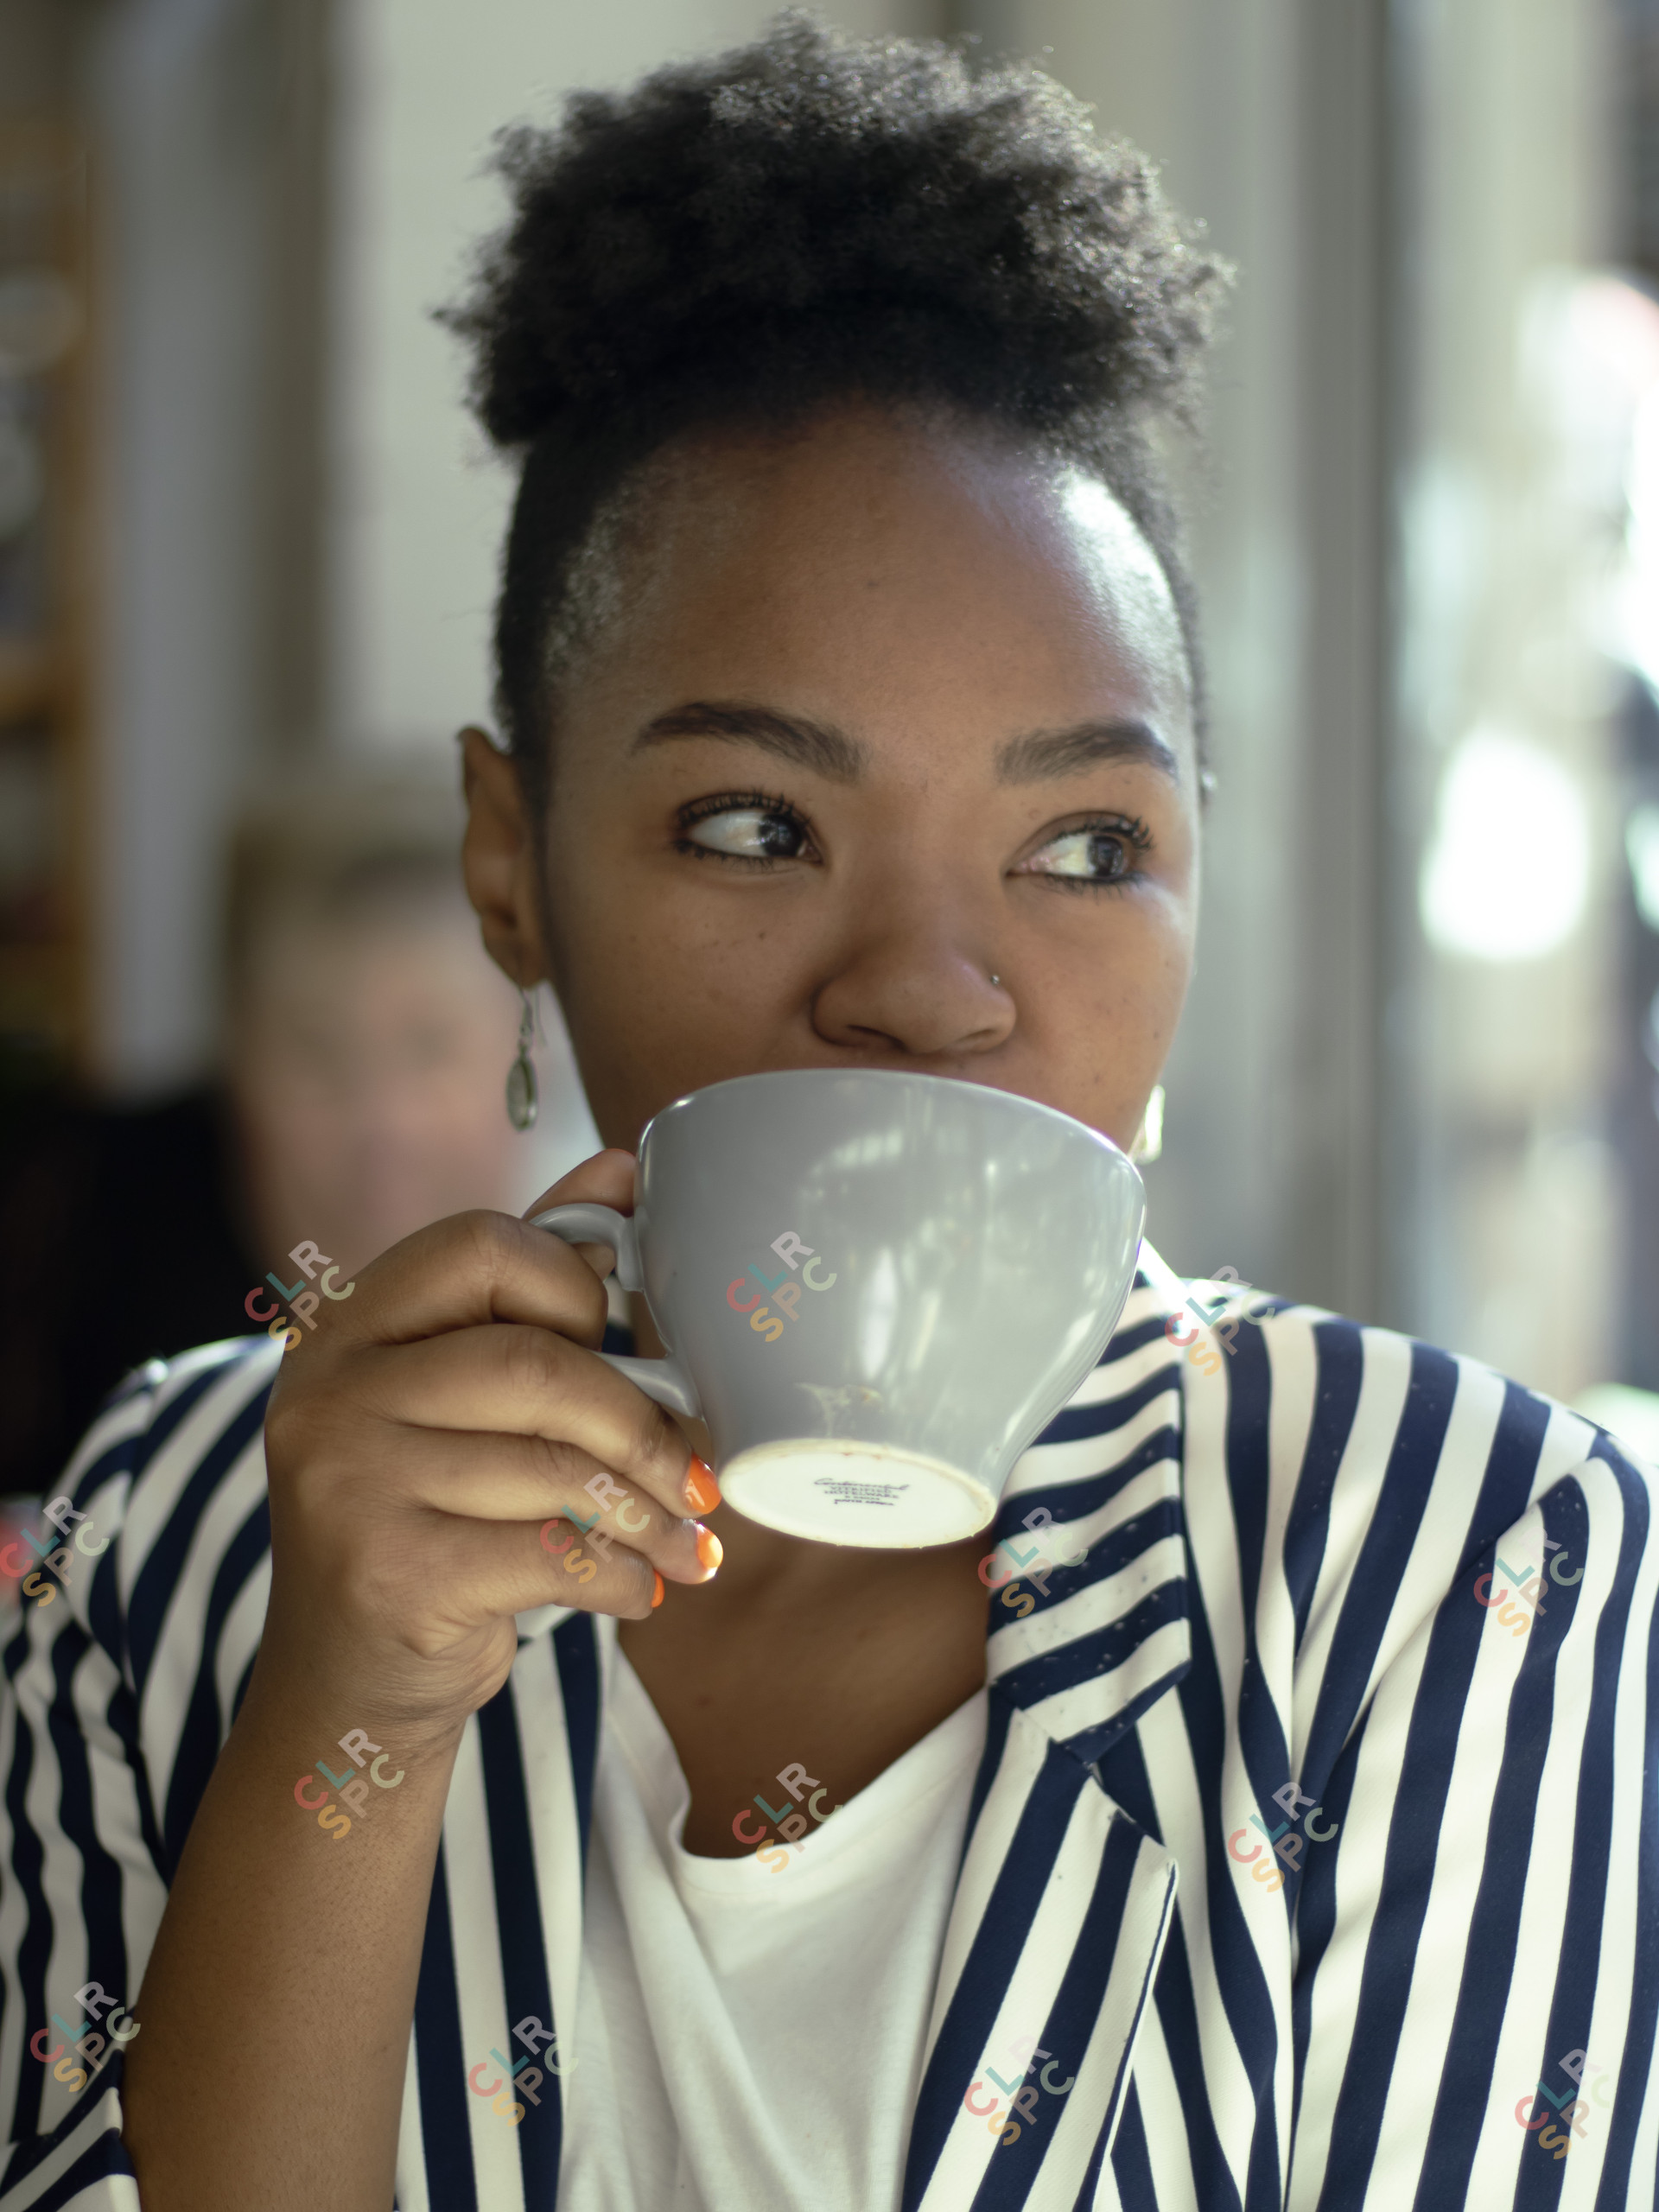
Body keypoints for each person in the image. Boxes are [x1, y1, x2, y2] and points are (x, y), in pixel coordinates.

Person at [2, 20, 1653, 2211]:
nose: (928, 987)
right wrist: (357, 1720)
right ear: (512, 858)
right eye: (755, 820)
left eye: (1081, 845)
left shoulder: (1443, 1554)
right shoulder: (186, 1529)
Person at [0, 774, 558, 1497]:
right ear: (235, 1055)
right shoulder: (59, 1215)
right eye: (317, 1050)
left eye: (432, 1046)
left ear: (529, 1050)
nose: (384, 1120)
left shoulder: (618, 1285)